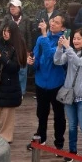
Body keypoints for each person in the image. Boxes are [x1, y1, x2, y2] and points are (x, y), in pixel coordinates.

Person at [54, 29, 82, 162]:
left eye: (79, 39)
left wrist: (68, 47)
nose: (75, 41)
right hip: (69, 95)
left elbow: (78, 62)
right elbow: (57, 61)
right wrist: (60, 48)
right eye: (74, 38)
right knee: (72, 126)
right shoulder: (71, 51)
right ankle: (72, 152)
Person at [27, 14, 68, 151]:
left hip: (56, 83)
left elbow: (52, 56)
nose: (53, 23)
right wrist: (32, 62)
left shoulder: (63, 40)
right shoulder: (41, 39)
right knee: (41, 113)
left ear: (62, 27)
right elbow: (37, 55)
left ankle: (59, 142)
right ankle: (41, 137)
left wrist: (44, 35)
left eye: (57, 22)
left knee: (59, 115)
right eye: (52, 21)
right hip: (41, 82)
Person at [0, 20, 27, 143]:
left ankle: (6, 138)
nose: (5, 33)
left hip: (10, 85)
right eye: (4, 30)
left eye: (8, 31)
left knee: (8, 114)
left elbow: (15, 67)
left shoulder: (19, 45)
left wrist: (0, 56)